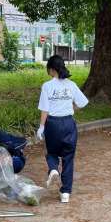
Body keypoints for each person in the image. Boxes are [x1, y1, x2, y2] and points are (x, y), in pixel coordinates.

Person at [36, 55, 88, 203]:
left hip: (53, 124)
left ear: (52, 69)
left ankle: (53, 169)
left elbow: (45, 109)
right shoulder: (71, 85)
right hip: (69, 123)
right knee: (68, 157)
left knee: (52, 152)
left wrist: (41, 126)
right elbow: (83, 102)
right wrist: (70, 108)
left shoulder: (47, 86)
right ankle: (65, 192)